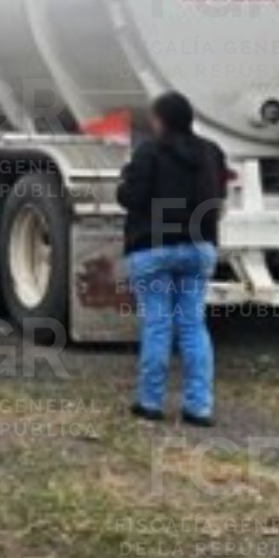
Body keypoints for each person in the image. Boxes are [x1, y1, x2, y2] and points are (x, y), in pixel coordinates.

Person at [117, 91, 227, 427]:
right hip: (198, 246)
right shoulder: (212, 152)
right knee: (193, 325)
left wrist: (124, 183)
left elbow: (131, 197)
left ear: (161, 119)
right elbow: (219, 196)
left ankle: (150, 403)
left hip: (153, 248)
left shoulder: (149, 151)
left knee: (158, 324)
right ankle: (199, 407)